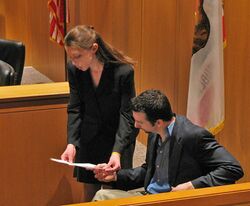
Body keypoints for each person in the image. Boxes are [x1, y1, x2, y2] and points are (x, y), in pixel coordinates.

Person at [92, 89, 244, 201]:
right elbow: (149, 171)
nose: (136, 126)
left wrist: (191, 185)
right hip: (149, 196)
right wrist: (115, 176)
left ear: (158, 122)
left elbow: (232, 168)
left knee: (102, 197)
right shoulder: (154, 134)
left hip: (171, 200)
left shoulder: (192, 136)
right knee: (102, 196)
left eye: (140, 122)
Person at [60, 25, 138, 201]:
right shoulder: (74, 70)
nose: (74, 62)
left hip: (119, 136)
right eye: (70, 57)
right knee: (90, 194)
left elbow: (127, 115)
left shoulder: (123, 71)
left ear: (93, 49)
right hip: (90, 136)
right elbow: (75, 107)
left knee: (114, 193)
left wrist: (117, 151)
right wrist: (72, 143)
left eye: (77, 56)